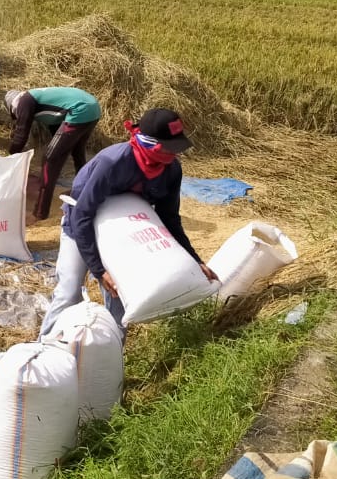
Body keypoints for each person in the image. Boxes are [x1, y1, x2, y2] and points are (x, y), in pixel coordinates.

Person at [38, 108, 219, 339]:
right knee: (69, 291)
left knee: (119, 297)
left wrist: (196, 260)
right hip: (81, 225)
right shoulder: (112, 163)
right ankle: (43, 350)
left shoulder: (171, 170)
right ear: (150, 143)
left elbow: (170, 218)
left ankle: (111, 354)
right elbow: (82, 215)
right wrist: (99, 269)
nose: (174, 155)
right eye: (169, 148)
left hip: (121, 235)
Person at [4, 87, 102, 222]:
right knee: (77, 152)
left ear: (13, 106)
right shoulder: (39, 101)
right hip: (93, 107)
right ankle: (81, 193)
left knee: (49, 160)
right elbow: (57, 131)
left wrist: (10, 157)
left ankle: (40, 213)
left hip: (80, 110)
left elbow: (21, 135)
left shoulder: (24, 101)